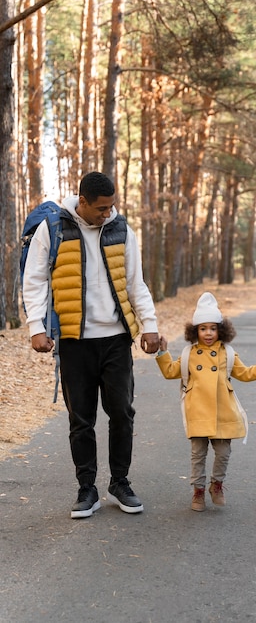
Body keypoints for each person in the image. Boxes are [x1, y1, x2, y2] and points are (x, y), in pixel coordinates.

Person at [23, 171, 159, 519]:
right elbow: (35, 280)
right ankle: (87, 489)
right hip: (74, 341)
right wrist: (36, 327)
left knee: (122, 414)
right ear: (81, 201)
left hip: (116, 339)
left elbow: (135, 282)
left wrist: (150, 325)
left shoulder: (121, 230)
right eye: (101, 208)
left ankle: (120, 482)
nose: (107, 214)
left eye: (112, 206)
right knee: (80, 419)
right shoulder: (52, 229)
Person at [156, 292, 256, 511]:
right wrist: (163, 352)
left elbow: (245, 373)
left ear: (221, 329)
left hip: (223, 412)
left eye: (212, 328)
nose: (208, 333)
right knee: (197, 455)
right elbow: (171, 371)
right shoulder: (189, 353)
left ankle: (216, 484)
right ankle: (198, 491)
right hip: (197, 410)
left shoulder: (227, 353)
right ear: (195, 331)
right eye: (202, 328)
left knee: (223, 453)